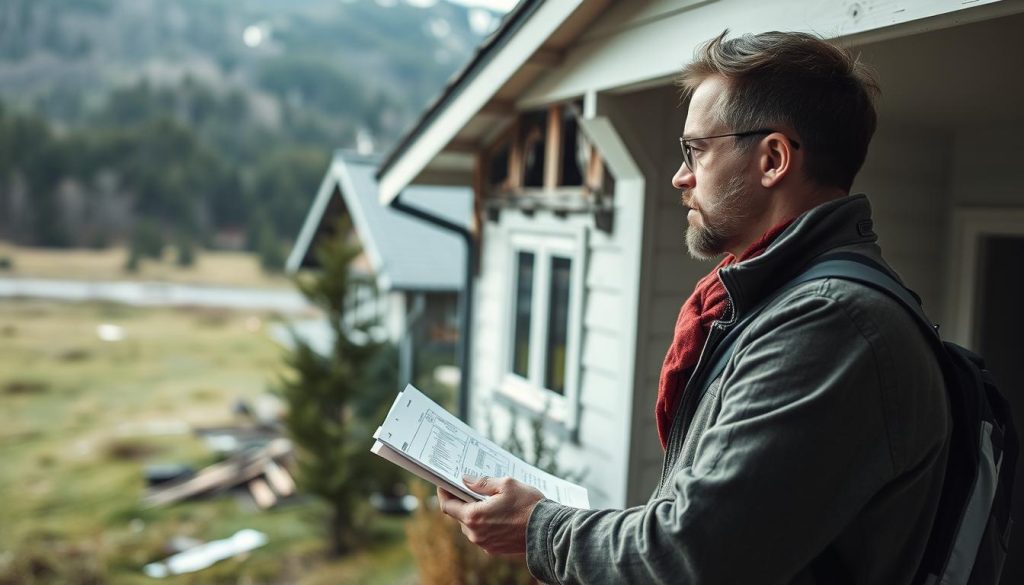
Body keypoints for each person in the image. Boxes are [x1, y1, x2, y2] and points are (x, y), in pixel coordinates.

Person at [438, 30, 950, 584]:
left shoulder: (830, 324)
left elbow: (690, 557)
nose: (681, 177)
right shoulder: (787, 305)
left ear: (773, 158)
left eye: (696, 150)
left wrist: (539, 528)